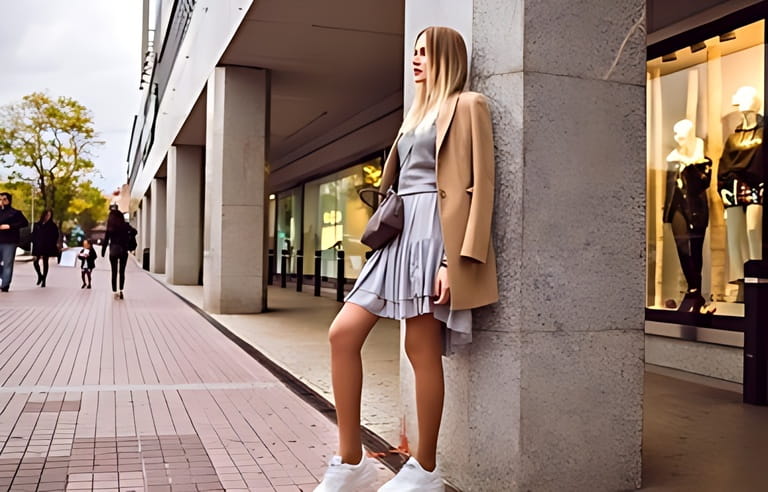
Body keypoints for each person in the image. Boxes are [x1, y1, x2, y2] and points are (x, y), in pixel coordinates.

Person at [314, 26, 498, 492]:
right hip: (399, 236)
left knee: (421, 349)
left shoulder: (469, 105)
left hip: (435, 235)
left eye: (423, 53)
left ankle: (425, 469)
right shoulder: (413, 115)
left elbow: (482, 187)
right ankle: (351, 460)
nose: (415, 60)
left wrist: (456, 262)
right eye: (413, 52)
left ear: (446, 58)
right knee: (342, 334)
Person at [664, 120, 711, 312]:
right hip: (677, 208)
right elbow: (669, 188)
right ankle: (693, 289)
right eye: (675, 135)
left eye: (681, 136)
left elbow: (701, 185)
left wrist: (690, 166)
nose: (677, 139)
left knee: (696, 249)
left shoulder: (703, 162)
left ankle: (695, 291)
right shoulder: (672, 159)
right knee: (682, 248)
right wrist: (666, 213)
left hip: (696, 209)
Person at [101, 206, 137, 299]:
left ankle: (115, 292)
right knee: (122, 272)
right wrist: (129, 236)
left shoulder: (110, 227)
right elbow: (135, 231)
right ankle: (121, 290)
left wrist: (103, 252)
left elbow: (106, 240)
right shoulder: (125, 225)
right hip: (123, 250)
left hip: (113, 250)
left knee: (114, 271)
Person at [0, 192, 30, 292]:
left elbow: (24, 223)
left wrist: (10, 226)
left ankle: (5, 284)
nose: (2, 201)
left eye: (4, 199)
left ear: (9, 200)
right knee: (4, 267)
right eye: (0, 199)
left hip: (9, 242)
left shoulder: (15, 213)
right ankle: (4, 276)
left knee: (7, 264)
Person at [31, 209, 60, 288]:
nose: (48, 217)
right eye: (47, 215)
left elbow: (56, 235)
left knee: (45, 262)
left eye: (50, 215)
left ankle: (44, 280)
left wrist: (52, 243)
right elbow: (33, 234)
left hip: (47, 246)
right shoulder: (37, 224)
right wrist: (34, 241)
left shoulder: (52, 226)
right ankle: (40, 275)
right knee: (35, 262)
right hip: (38, 245)